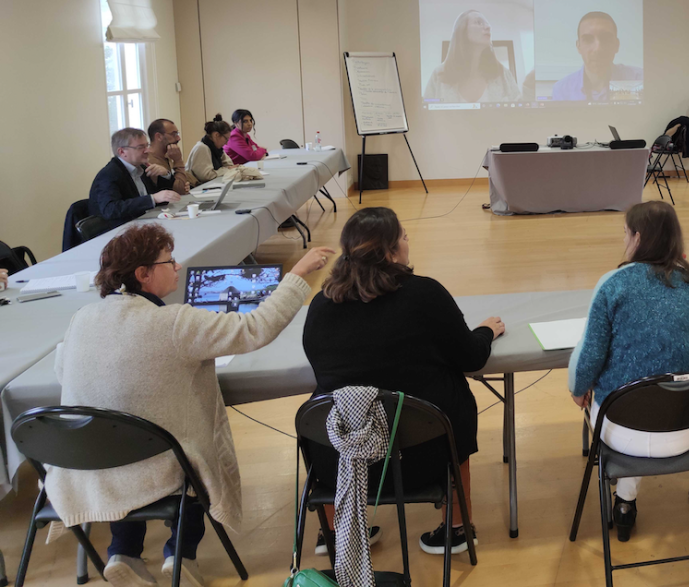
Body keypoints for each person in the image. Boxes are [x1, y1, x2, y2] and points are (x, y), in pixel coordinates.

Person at [48, 224, 332, 587]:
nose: (178, 267)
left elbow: (62, 371)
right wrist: (296, 275)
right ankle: (182, 555)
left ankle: (123, 552)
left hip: (90, 462)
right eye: (170, 261)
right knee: (192, 452)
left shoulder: (82, 318)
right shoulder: (174, 322)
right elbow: (255, 328)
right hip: (159, 463)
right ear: (143, 274)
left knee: (120, 440)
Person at [302, 207, 505, 557]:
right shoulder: (425, 295)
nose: (409, 242)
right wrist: (485, 330)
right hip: (427, 451)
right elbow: (471, 358)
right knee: (451, 398)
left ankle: (336, 532)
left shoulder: (321, 306)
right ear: (391, 253)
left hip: (349, 454)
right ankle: (456, 527)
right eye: (404, 237)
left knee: (320, 407)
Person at [568, 201, 689, 542]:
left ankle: (624, 500)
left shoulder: (614, 284)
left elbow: (590, 357)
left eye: (625, 233)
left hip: (623, 428)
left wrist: (578, 390)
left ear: (637, 237)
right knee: (656, 388)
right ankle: (625, 501)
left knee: (615, 392)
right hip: (686, 428)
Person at [89, 128, 181, 231]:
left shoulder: (141, 168)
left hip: (143, 226)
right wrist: (153, 198)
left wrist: (165, 175)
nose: (148, 150)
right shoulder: (109, 174)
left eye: (147, 145)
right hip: (119, 233)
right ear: (122, 151)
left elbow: (163, 201)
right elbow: (110, 210)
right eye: (141, 147)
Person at [423, 10, 521, 104]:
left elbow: (519, 111)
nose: (488, 27)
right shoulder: (439, 75)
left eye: (487, 23)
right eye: (479, 22)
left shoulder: (504, 74)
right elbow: (426, 114)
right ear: (462, 31)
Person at [551, 11, 643, 102]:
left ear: (616, 45)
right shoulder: (562, 90)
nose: (597, 49)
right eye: (587, 39)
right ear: (578, 46)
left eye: (606, 38)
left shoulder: (640, 80)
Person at [186, 115, 236, 185]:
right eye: (226, 139)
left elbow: (231, 165)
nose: (227, 143)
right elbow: (207, 176)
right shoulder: (202, 148)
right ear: (216, 135)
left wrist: (227, 169)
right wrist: (226, 169)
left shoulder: (217, 148)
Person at [146, 118, 190, 195]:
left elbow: (180, 185)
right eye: (174, 134)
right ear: (159, 136)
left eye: (177, 134)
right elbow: (179, 189)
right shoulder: (149, 161)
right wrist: (178, 160)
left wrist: (184, 184)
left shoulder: (167, 155)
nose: (178, 138)